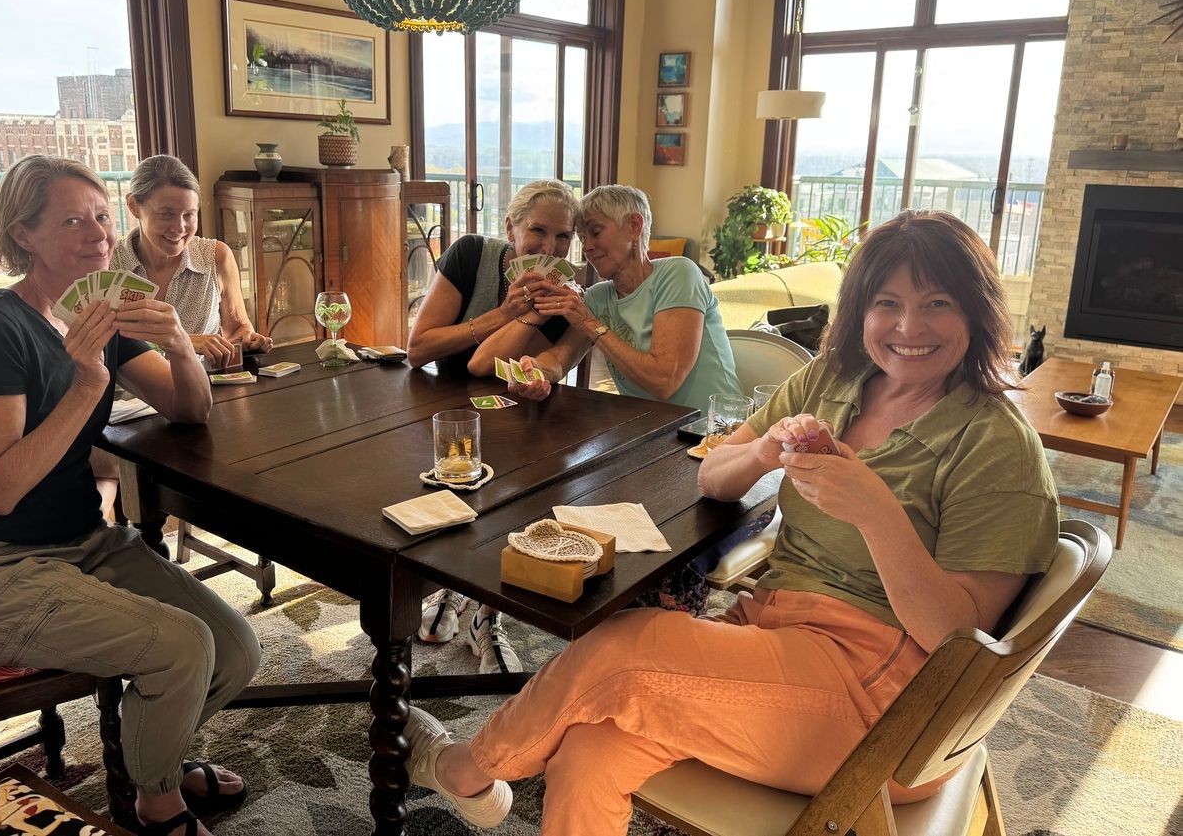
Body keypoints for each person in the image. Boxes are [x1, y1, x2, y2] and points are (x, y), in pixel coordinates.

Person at [401, 210, 1059, 834]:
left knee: (618, 648)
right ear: (862, 308)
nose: (909, 325)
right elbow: (713, 476)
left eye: (938, 303)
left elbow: (960, 642)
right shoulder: (833, 380)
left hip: (887, 704)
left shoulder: (996, 442)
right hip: (774, 631)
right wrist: (766, 449)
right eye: (888, 302)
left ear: (976, 311)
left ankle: (464, 769)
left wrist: (875, 511)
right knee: (590, 746)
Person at [0, 156, 261, 836]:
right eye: (71, 220)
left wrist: (180, 344)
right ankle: (157, 804)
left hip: (78, 544)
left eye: (100, 216)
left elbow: (190, 410)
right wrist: (89, 381)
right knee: (182, 645)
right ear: (23, 234)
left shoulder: (101, 315)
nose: (97, 234)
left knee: (237, 648)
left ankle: (155, 755)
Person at [486, 183, 744, 614]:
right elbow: (559, 358)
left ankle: (659, 635)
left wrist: (589, 322)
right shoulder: (600, 297)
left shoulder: (678, 274)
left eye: (595, 231)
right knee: (574, 521)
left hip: (715, 443)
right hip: (653, 446)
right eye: (581, 235)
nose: (585, 246)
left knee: (660, 558)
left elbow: (664, 380)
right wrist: (536, 372)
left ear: (634, 226)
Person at [406, 179, 579, 674]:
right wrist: (504, 312)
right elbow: (418, 349)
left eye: (563, 237)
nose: (549, 248)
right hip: (439, 403)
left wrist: (532, 319)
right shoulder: (471, 255)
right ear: (511, 228)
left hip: (514, 417)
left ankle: (487, 616)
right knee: (447, 501)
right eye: (538, 231)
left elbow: (493, 369)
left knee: (514, 503)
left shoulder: (563, 295)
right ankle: (449, 586)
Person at [111, 154, 271, 370]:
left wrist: (248, 341)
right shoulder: (110, 263)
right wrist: (183, 341)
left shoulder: (216, 257)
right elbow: (104, 346)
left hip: (206, 387)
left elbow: (237, 329)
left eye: (189, 215)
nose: (179, 228)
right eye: (166, 214)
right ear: (133, 206)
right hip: (132, 391)